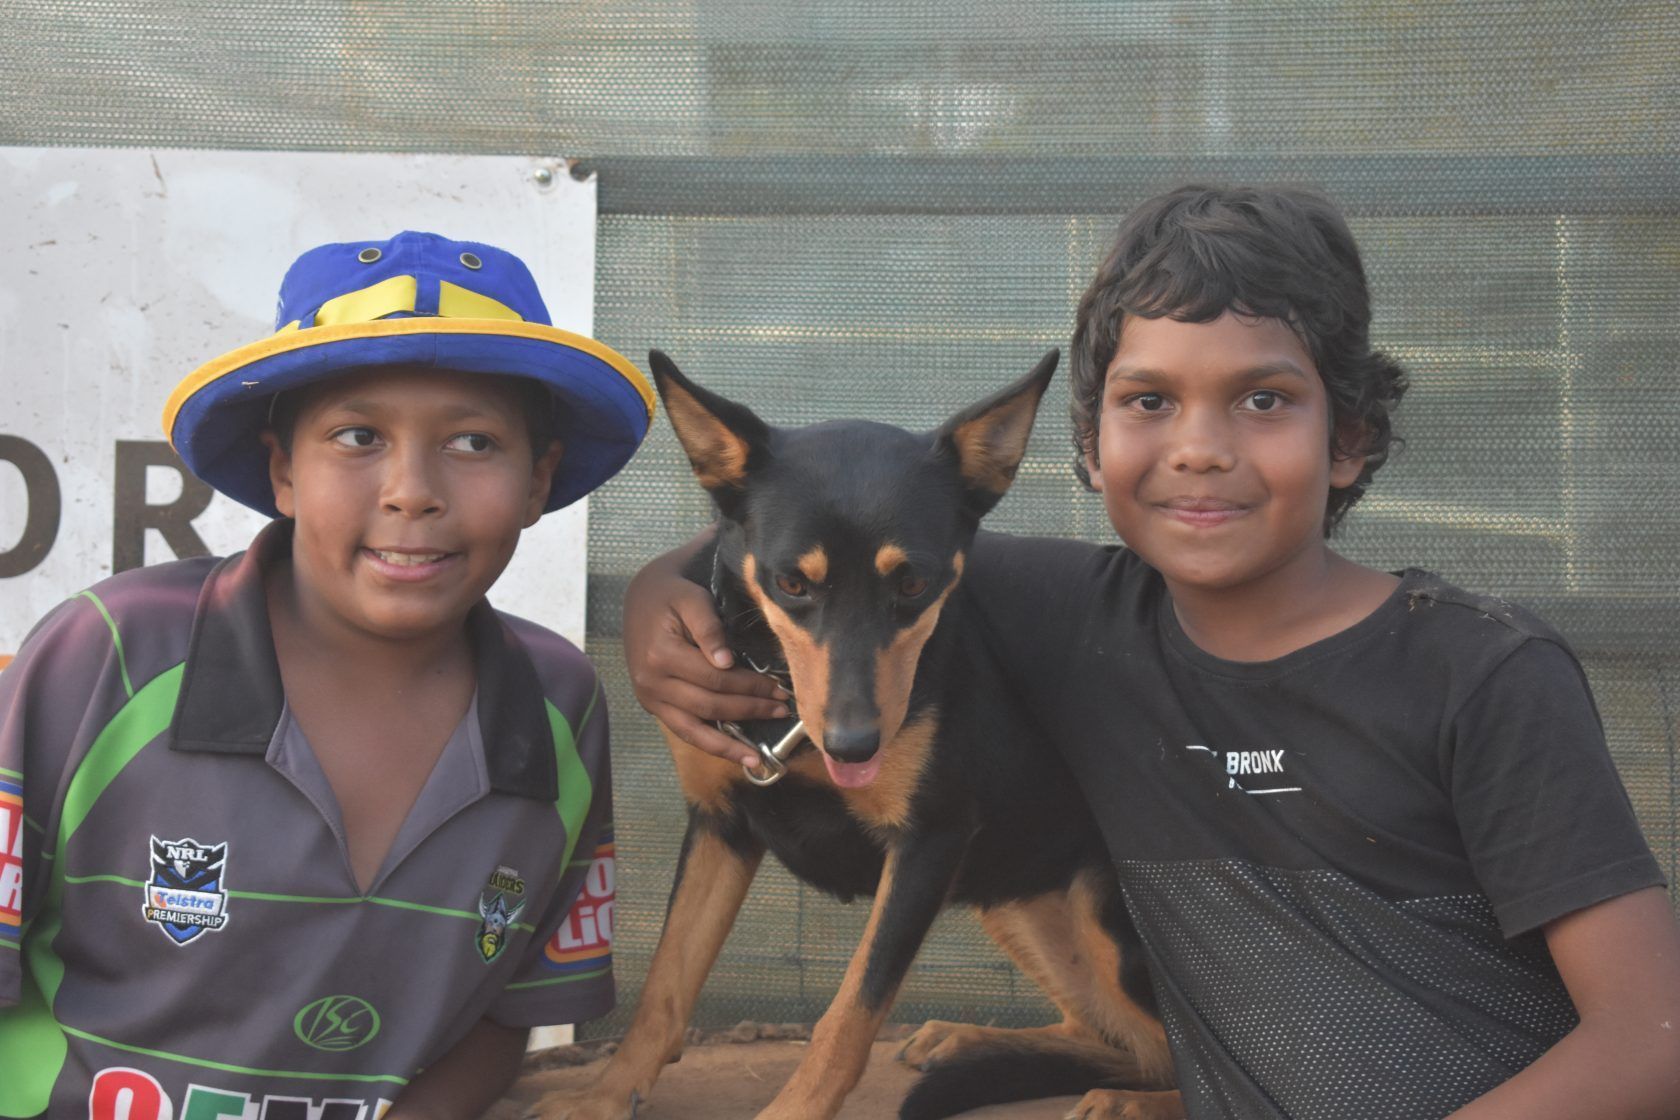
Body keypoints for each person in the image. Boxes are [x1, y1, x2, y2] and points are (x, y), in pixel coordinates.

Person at [619, 186, 1680, 1118]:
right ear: (1087, 445)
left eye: (1264, 399)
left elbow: (1652, 1039)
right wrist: (658, 603)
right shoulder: (1072, 612)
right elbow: (813, 546)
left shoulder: (1482, 673)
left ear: (1349, 435)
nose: (1200, 446)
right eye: (1148, 400)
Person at [0, 231, 654, 1119]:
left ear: (539, 480)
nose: (411, 490)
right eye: (357, 436)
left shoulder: (556, 705)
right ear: (283, 468)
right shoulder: (109, 654)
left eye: (472, 441)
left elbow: (509, 1014)